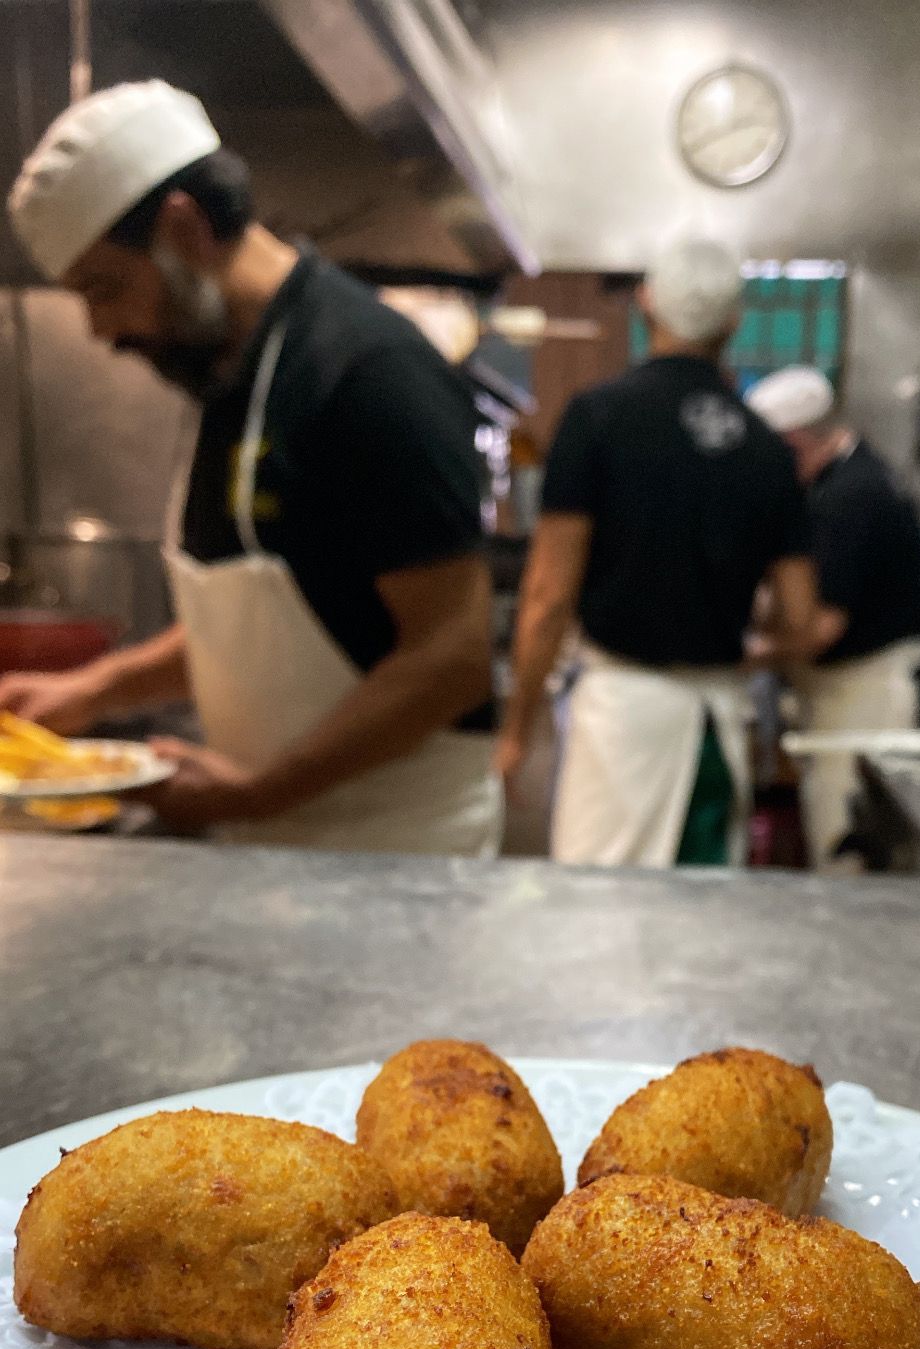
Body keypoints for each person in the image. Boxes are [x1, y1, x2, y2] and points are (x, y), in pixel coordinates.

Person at [3, 81, 501, 854]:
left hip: (397, 846)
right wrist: (89, 692)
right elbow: (261, 626)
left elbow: (451, 657)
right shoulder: (229, 373)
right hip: (285, 833)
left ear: (182, 227)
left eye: (106, 289)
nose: (101, 329)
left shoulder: (368, 372)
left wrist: (260, 790)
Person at [495, 241, 816, 868]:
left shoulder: (597, 418)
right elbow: (799, 620)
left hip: (620, 716)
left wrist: (516, 728)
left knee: (599, 924)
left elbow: (549, 593)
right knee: (698, 931)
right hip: (715, 725)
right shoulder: (767, 449)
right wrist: (739, 652)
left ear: (646, 304)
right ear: (734, 322)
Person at [747, 366, 920, 868]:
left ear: (790, 444)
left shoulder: (850, 498)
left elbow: (819, 630)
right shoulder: (853, 477)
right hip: (851, 696)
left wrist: (734, 658)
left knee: (849, 852)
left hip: (870, 699)